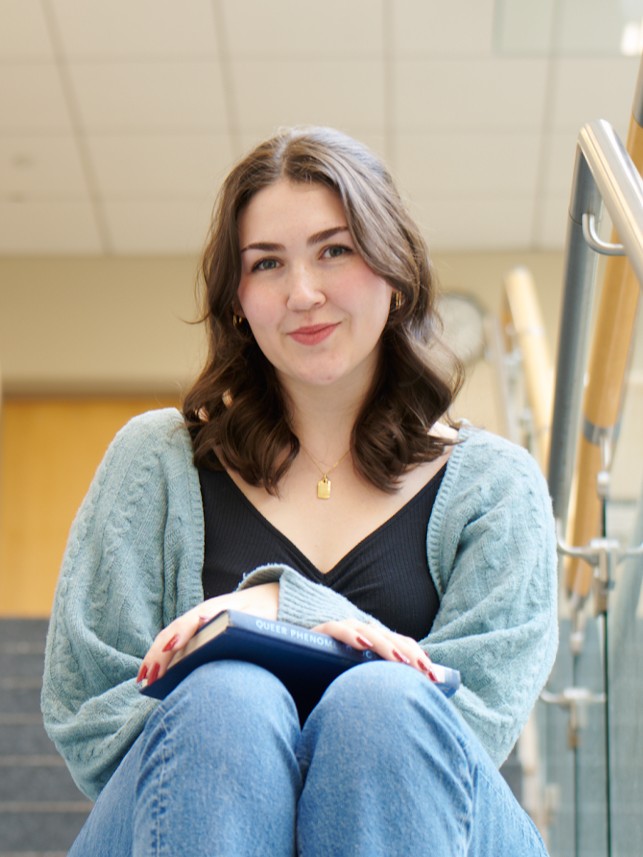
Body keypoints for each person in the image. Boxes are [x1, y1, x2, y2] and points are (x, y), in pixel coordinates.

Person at [41, 126, 558, 856]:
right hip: (192, 810)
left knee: (384, 705)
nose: (303, 293)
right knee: (227, 698)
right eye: (266, 264)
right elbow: (87, 714)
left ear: (394, 268)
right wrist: (253, 706)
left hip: (423, 816)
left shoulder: (493, 485)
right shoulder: (155, 459)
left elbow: (473, 723)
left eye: (334, 250)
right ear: (237, 301)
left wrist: (281, 605)